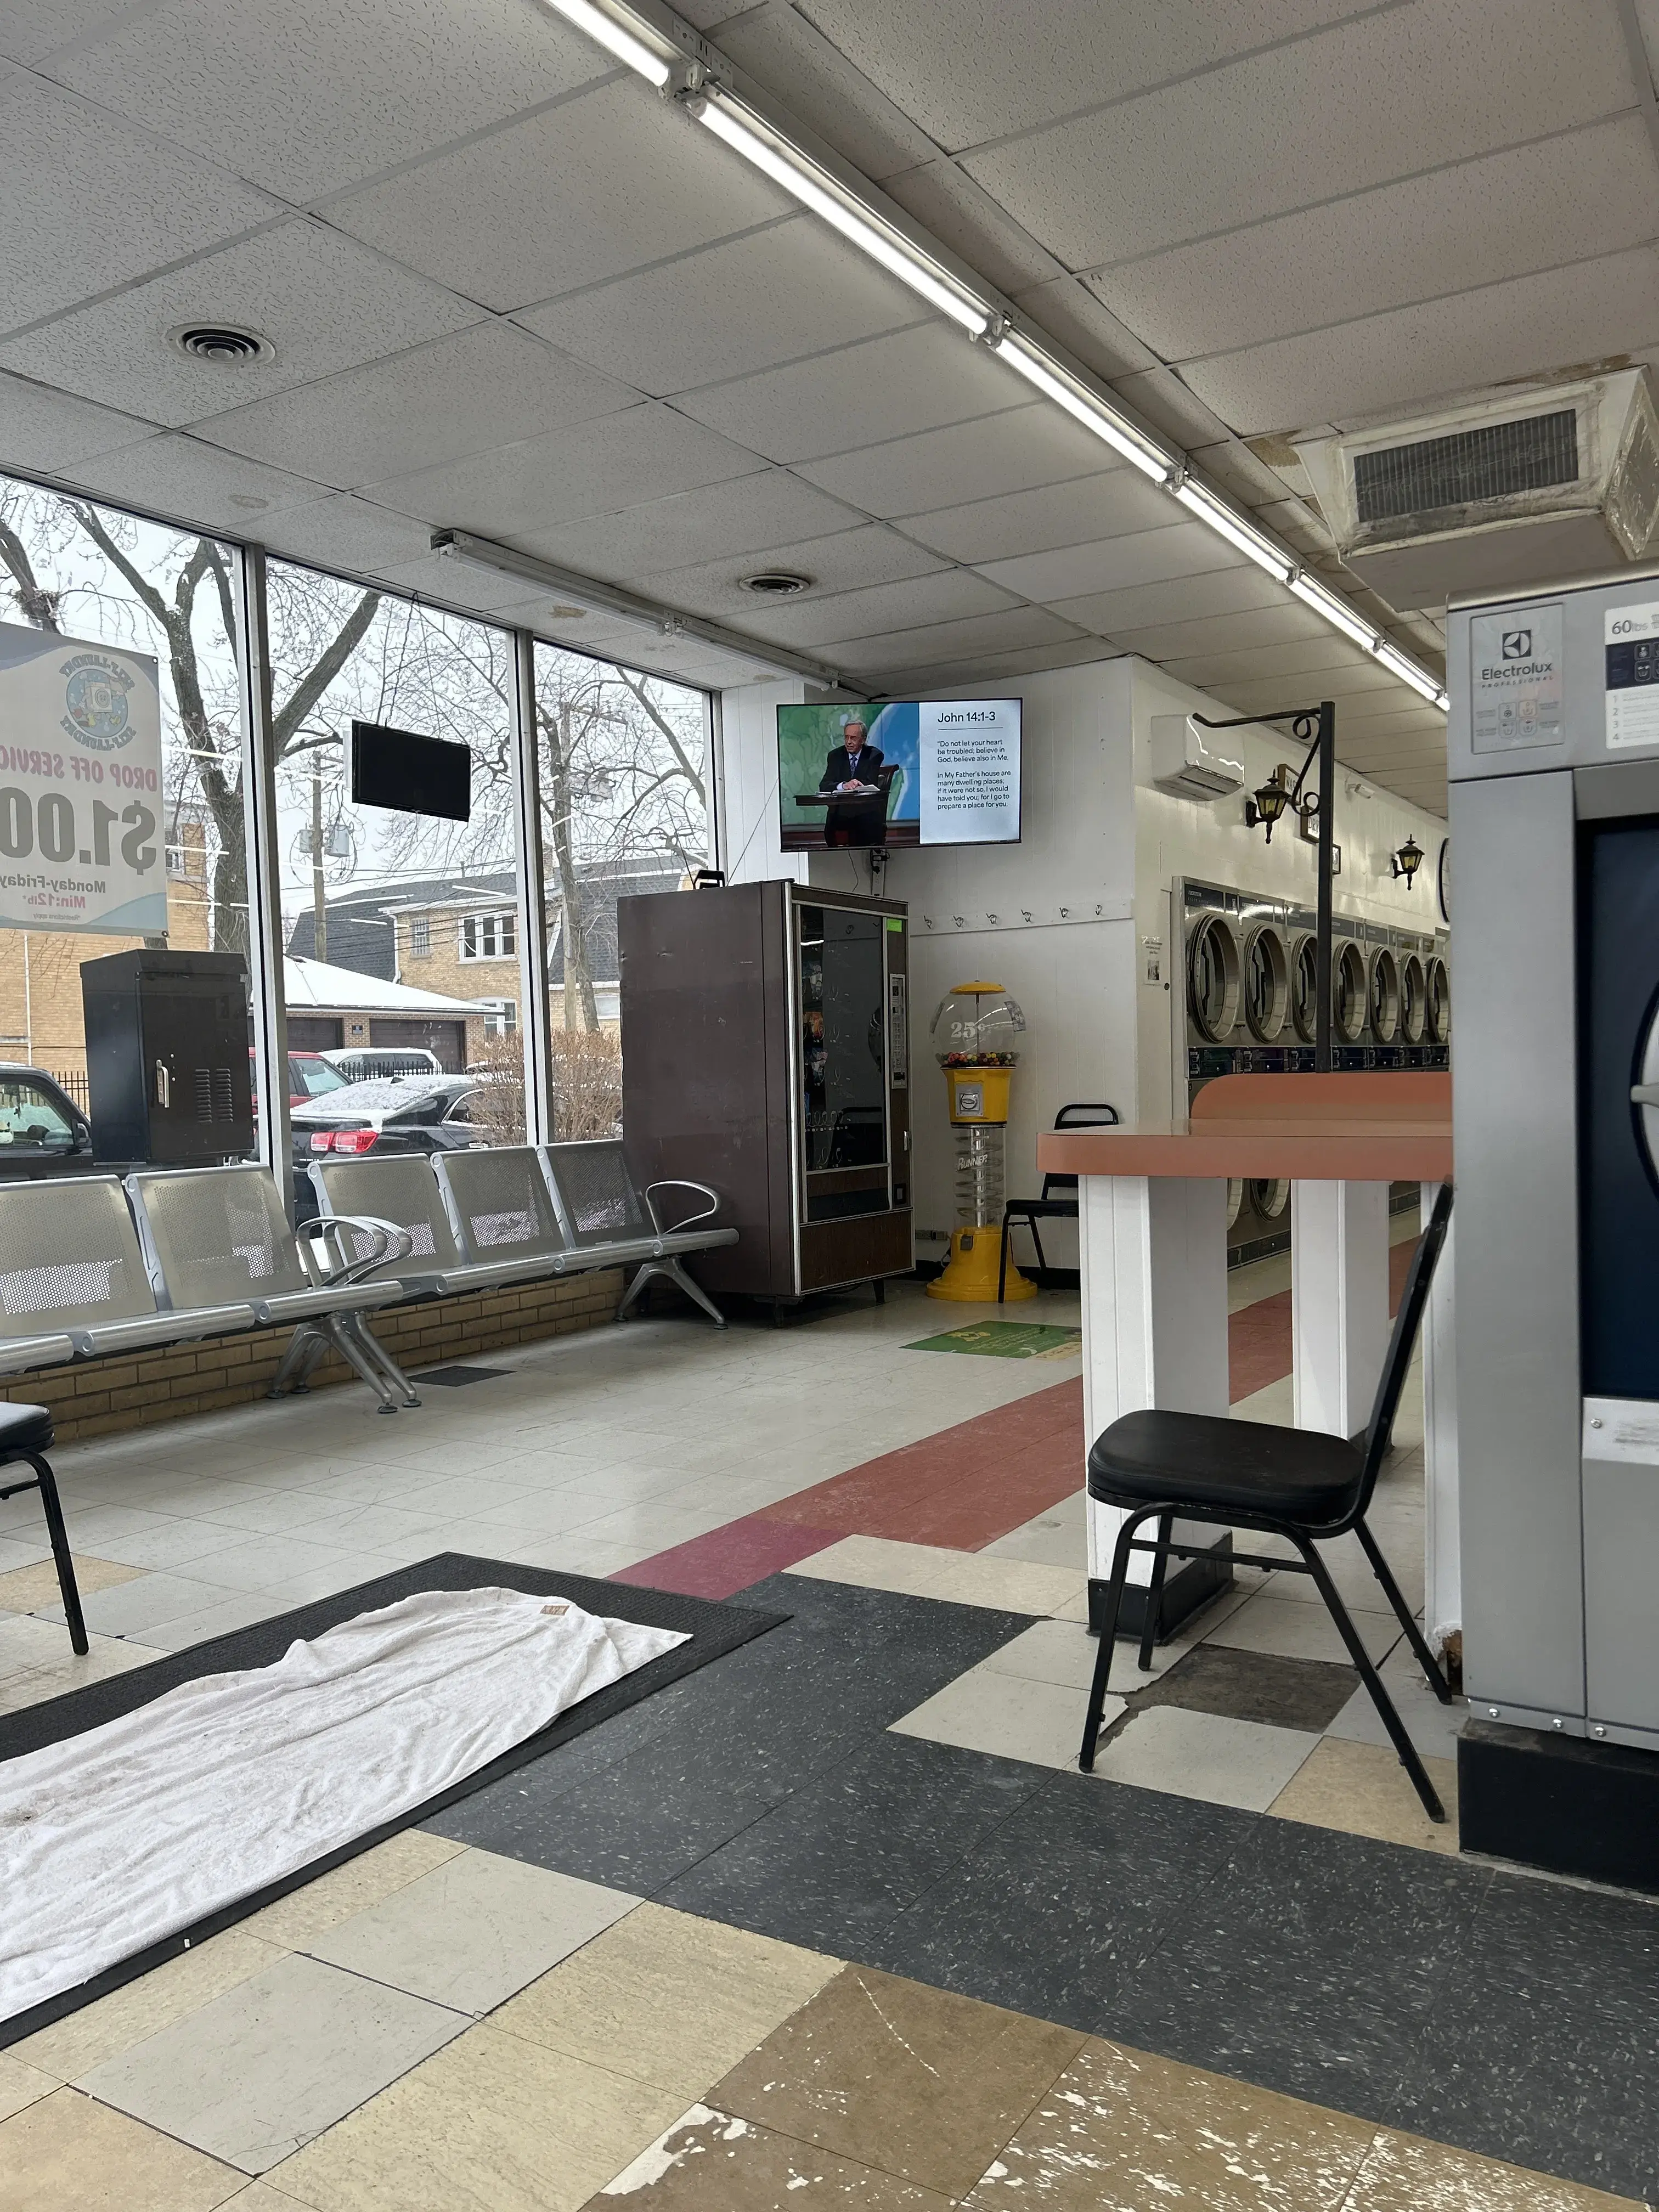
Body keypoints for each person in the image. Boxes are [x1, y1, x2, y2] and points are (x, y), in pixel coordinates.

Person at [819, 716, 888, 847]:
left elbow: (870, 782)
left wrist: (855, 785)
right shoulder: (835, 756)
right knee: (834, 820)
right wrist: (843, 786)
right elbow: (824, 785)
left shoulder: (874, 755)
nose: (849, 742)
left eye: (853, 738)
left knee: (865, 823)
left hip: (865, 813)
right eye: (846, 738)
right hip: (841, 814)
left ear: (863, 739)